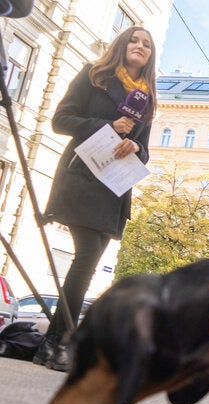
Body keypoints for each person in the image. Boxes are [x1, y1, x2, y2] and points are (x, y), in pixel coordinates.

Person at [33, 26, 156, 371]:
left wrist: (137, 147)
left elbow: (143, 148)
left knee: (88, 267)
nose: (140, 46)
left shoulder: (146, 97)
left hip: (113, 186)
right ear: (121, 44)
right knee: (86, 257)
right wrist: (107, 126)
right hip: (82, 177)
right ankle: (61, 342)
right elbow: (60, 120)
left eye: (147, 44)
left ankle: (53, 344)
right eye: (134, 39)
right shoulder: (94, 76)